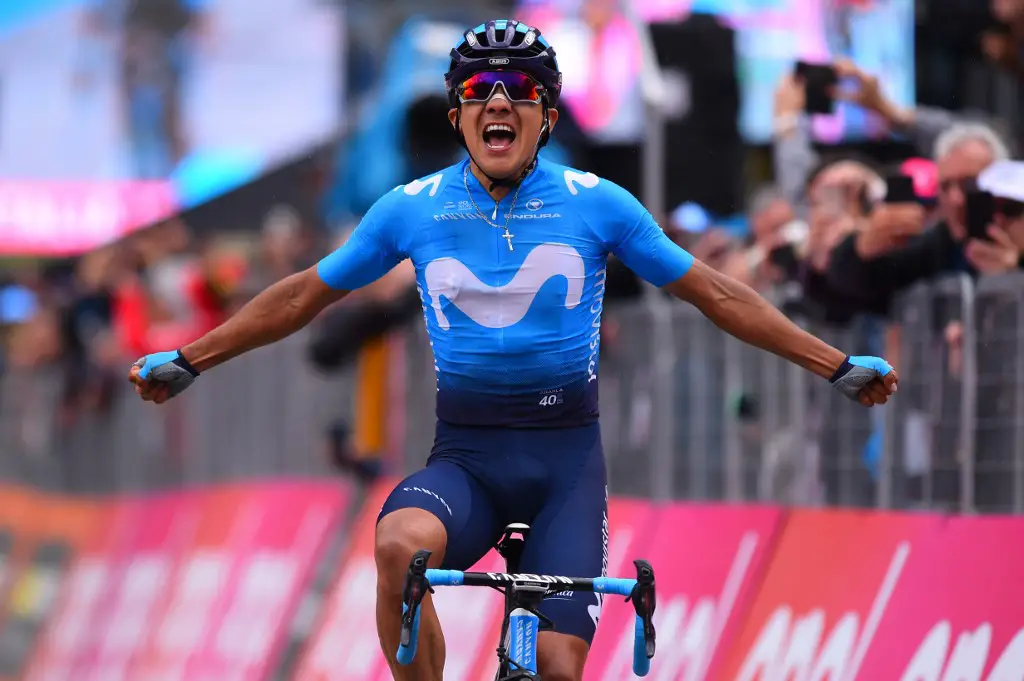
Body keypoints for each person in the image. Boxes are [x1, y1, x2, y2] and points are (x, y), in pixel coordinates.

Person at [127, 20, 898, 681]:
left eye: (521, 91)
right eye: (481, 94)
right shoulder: (410, 209)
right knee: (398, 545)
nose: (500, 104)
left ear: (548, 115)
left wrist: (833, 363)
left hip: (565, 468)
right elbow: (303, 295)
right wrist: (192, 357)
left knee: (559, 668)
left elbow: (717, 293)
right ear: (460, 115)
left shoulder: (598, 204)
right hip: (466, 462)